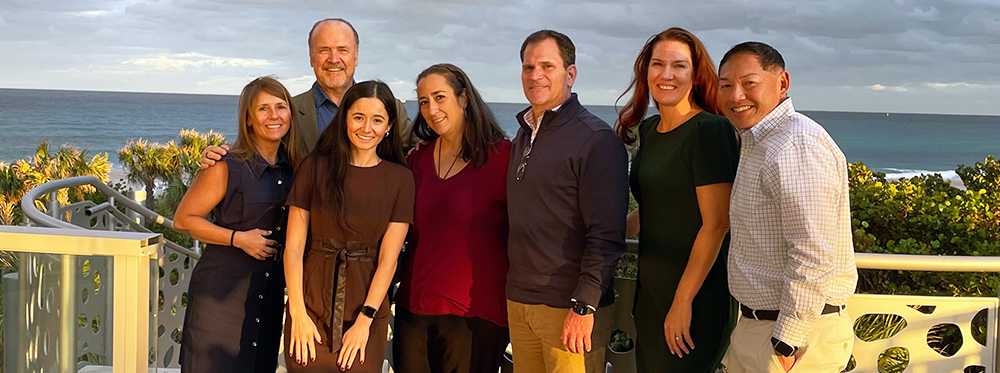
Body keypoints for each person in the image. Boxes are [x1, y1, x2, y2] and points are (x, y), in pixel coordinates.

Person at [717, 42, 857, 373]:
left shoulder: (796, 145)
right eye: (726, 85)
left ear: (782, 83)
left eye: (749, 83)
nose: (736, 95)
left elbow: (812, 253)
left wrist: (787, 341)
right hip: (760, 328)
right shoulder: (759, 142)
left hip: (792, 338)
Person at [615, 27, 739, 373]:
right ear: (646, 71)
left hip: (696, 297)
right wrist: (607, 235)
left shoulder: (709, 130)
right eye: (658, 64)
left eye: (679, 65)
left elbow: (716, 225)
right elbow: (654, 202)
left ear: (696, 75)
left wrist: (683, 301)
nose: (666, 74)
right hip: (652, 291)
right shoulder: (651, 131)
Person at [506, 30, 629, 373]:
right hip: (520, 300)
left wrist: (585, 305)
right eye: (528, 67)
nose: (535, 75)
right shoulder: (522, 134)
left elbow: (606, 233)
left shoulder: (596, 139)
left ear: (570, 74)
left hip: (570, 308)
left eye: (547, 65)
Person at [173, 76, 303, 373]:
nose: (274, 116)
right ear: (248, 119)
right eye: (263, 109)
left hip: (267, 296)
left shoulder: (296, 167)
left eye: (281, 107)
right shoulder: (225, 165)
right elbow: (183, 220)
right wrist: (238, 238)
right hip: (220, 299)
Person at [282, 80, 414, 373]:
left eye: (377, 120)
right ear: (344, 120)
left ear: (389, 126)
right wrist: (298, 313)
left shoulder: (401, 180)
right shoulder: (314, 168)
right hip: (309, 311)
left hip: (364, 314)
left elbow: (389, 259)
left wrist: (365, 321)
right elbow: (293, 248)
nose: (367, 128)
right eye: (358, 117)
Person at [393, 63, 512, 373]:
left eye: (440, 97)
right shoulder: (415, 159)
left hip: (476, 314)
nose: (432, 109)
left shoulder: (502, 158)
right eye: (423, 101)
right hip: (412, 308)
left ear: (463, 99)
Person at [200, 18, 413, 168]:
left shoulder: (390, 108)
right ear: (311, 58)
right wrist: (220, 154)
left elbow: (419, 152)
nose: (333, 59)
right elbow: (254, 150)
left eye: (342, 50)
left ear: (356, 56)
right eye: (324, 50)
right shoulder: (288, 112)